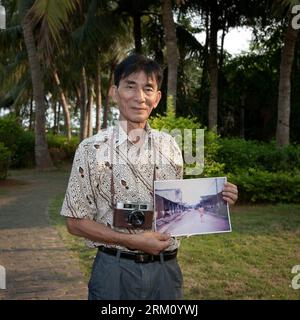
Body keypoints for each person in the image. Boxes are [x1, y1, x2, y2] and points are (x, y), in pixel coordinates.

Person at [60, 54, 238, 300]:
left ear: (157, 99)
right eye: (130, 86)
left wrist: (217, 199)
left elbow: (177, 214)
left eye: (148, 89)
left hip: (166, 273)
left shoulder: (170, 146)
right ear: (114, 92)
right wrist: (133, 241)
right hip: (114, 273)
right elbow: (75, 223)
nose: (139, 97)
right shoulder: (91, 149)